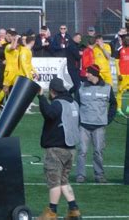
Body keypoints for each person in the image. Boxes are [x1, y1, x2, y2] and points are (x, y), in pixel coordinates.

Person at [37, 78, 81, 220]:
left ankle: (51, 212)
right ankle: (73, 209)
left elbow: (48, 114)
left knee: (54, 181)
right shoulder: (74, 103)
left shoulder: (57, 104)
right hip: (71, 149)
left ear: (52, 91)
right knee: (64, 180)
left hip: (56, 149)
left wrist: (40, 96)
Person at [75, 64, 116, 184]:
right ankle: (80, 175)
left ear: (94, 74)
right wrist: (78, 120)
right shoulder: (81, 87)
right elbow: (76, 104)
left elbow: (113, 104)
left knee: (98, 151)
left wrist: (109, 118)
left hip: (99, 126)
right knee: (82, 151)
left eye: (88, 72)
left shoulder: (107, 88)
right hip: (83, 125)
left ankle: (99, 175)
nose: (86, 74)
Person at [0, 30, 20, 107]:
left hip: (16, 72)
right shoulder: (8, 46)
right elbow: (12, 47)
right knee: (5, 89)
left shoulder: (17, 47)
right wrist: (15, 39)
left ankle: (10, 104)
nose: (12, 38)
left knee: (14, 89)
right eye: (13, 37)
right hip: (9, 71)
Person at [116, 35, 129, 116]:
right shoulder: (119, 50)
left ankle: (128, 107)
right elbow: (116, 63)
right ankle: (119, 109)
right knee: (120, 92)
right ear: (123, 40)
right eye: (126, 39)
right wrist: (119, 74)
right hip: (122, 75)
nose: (127, 40)